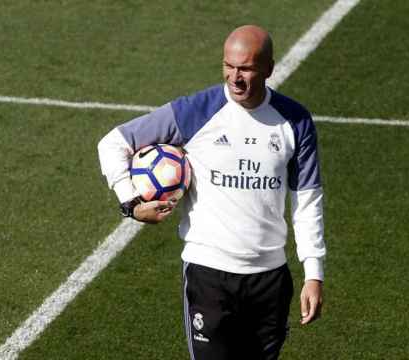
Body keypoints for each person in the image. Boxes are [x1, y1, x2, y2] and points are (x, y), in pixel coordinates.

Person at [97, 25, 325, 360]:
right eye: (229, 66)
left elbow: (307, 200)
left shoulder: (295, 121)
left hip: (269, 281)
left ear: (268, 69)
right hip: (208, 277)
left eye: (246, 68)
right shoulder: (196, 111)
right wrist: (130, 203)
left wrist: (314, 273)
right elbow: (114, 143)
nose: (235, 77)